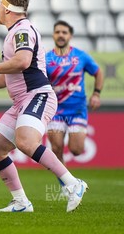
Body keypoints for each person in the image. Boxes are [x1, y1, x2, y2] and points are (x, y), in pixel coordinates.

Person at [0, 0, 87, 213]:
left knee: (25, 141)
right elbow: (12, 73)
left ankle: (73, 183)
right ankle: (21, 202)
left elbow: (22, 62)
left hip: (37, 95)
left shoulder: (22, 30)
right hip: (22, 101)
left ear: (7, 8)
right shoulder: (16, 32)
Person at [46, 20, 103, 166]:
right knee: (56, 148)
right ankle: (67, 185)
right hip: (55, 110)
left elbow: (98, 73)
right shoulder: (46, 59)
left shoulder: (81, 56)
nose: (60, 35)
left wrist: (96, 94)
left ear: (70, 36)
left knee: (76, 150)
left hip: (77, 110)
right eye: (57, 32)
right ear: (53, 35)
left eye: (64, 32)